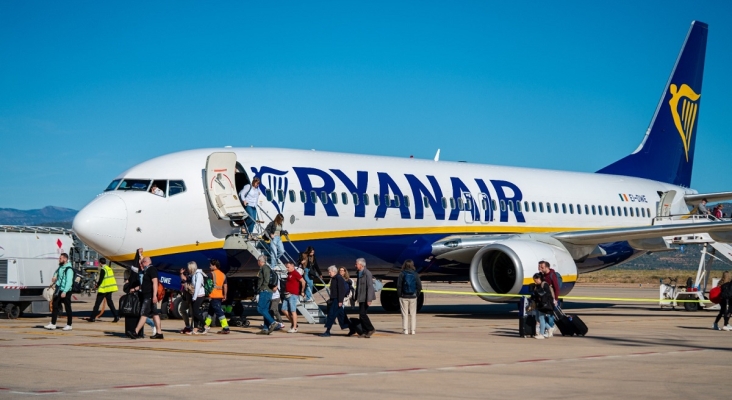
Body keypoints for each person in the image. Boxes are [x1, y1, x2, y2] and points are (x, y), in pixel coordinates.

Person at [129, 257, 164, 339]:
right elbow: (145, 285)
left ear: (145, 262)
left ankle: (135, 332)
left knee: (144, 314)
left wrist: (154, 295)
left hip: (149, 296)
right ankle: (159, 333)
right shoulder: (146, 271)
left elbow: (155, 283)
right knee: (155, 314)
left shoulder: (151, 269)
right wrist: (135, 289)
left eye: (141, 263)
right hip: (148, 295)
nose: (141, 265)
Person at [45, 253, 74, 331]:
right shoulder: (60, 267)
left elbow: (69, 282)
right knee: (55, 306)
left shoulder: (69, 269)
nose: (59, 259)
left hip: (66, 291)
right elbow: (56, 272)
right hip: (59, 289)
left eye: (60, 258)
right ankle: (53, 323)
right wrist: (54, 277)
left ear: (65, 259)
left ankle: (69, 324)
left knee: (67, 307)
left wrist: (65, 292)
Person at [201, 259, 230, 334]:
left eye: (210, 265)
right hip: (220, 295)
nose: (209, 266)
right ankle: (206, 325)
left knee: (219, 312)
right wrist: (225, 295)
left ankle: (226, 327)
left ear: (214, 266)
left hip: (214, 296)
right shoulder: (223, 275)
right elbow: (225, 286)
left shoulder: (211, 274)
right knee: (210, 312)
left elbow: (204, 278)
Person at [320, 266, 350, 337]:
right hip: (334, 299)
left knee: (331, 314)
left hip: (337, 299)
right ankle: (351, 327)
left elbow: (341, 290)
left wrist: (340, 301)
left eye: (330, 272)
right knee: (341, 316)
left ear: (334, 271)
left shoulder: (338, 278)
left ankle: (327, 331)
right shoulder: (334, 278)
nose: (329, 273)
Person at [88, 257, 119, 323]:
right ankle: (116, 316)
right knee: (110, 303)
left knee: (97, 304)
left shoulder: (103, 269)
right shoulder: (109, 268)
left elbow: (101, 279)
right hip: (109, 288)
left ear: (100, 263)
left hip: (104, 289)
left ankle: (92, 317)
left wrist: (97, 285)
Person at [396, 259, 422, 335]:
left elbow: (399, 285)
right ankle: (413, 330)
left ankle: (405, 330)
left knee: (404, 314)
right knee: (413, 314)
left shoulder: (402, 274)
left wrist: (399, 295)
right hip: (413, 296)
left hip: (404, 296)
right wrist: (416, 294)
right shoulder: (415, 274)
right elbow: (419, 286)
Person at [256, 255, 280, 335]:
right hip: (267, 291)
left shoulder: (265, 268)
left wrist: (262, 288)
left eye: (258, 261)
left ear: (260, 261)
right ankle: (265, 328)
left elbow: (266, 279)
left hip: (265, 291)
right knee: (265, 310)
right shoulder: (266, 268)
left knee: (260, 309)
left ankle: (273, 322)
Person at [355, 258, 376, 338]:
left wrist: (369, 299)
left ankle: (371, 328)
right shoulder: (359, 273)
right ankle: (364, 331)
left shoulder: (367, 273)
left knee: (363, 314)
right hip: (361, 297)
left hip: (366, 297)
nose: (355, 265)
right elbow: (359, 287)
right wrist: (355, 297)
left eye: (356, 264)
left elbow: (370, 287)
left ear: (361, 265)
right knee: (361, 315)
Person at [282, 261, 306, 333]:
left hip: (293, 295)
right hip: (287, 294)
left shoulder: (295, 273)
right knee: (283, 309)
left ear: (292, 266)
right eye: (286, 267)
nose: (287, 268)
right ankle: (293, 323)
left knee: (293, 311)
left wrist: (302, 291)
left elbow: (303, 281)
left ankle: (294, 327)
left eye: (288, 267)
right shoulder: (289, 273)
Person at [530, 273, 556, 339]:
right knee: (538, 318)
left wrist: (542, 301)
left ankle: (541, 334)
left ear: (539, 278)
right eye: (534, 279)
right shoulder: (537, 286)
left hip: (544, 304)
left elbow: (547, 295)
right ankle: (549, 328)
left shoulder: (545, 284)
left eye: (536, 279)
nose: (535, 281)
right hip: (539, 304)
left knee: (541, 318)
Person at [538, 260, 560, 334]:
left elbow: (556, 288)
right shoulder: (542, 275)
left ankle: (551, 327)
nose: (540, 268)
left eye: (542, 267)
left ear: (547, 267)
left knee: (550, 314)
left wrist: (556, 299)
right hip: (545, 298)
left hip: (551, 298)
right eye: (539, 267)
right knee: (543, 313)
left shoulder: (552, 275)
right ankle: (549, 329)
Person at [189, 262, 207, 334]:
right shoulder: (193, 274)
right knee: (194, 312)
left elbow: (197, 287)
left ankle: (205, 325)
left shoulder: (198, 274)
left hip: (199, 295)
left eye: (189, 268)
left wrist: (194, 297)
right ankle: (195, 329)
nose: (188, 270)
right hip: (196, 295)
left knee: (196, 313)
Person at [178, 266, 195, 334]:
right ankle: (187, 326)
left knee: (192, 313)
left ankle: (192, 327)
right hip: (186, 297)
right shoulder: (189, 275)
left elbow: (186, 280)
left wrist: (183, 276)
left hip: (191, 297)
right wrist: (181, 274)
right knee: (182, 309)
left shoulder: (193, 276)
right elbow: (184, 280)